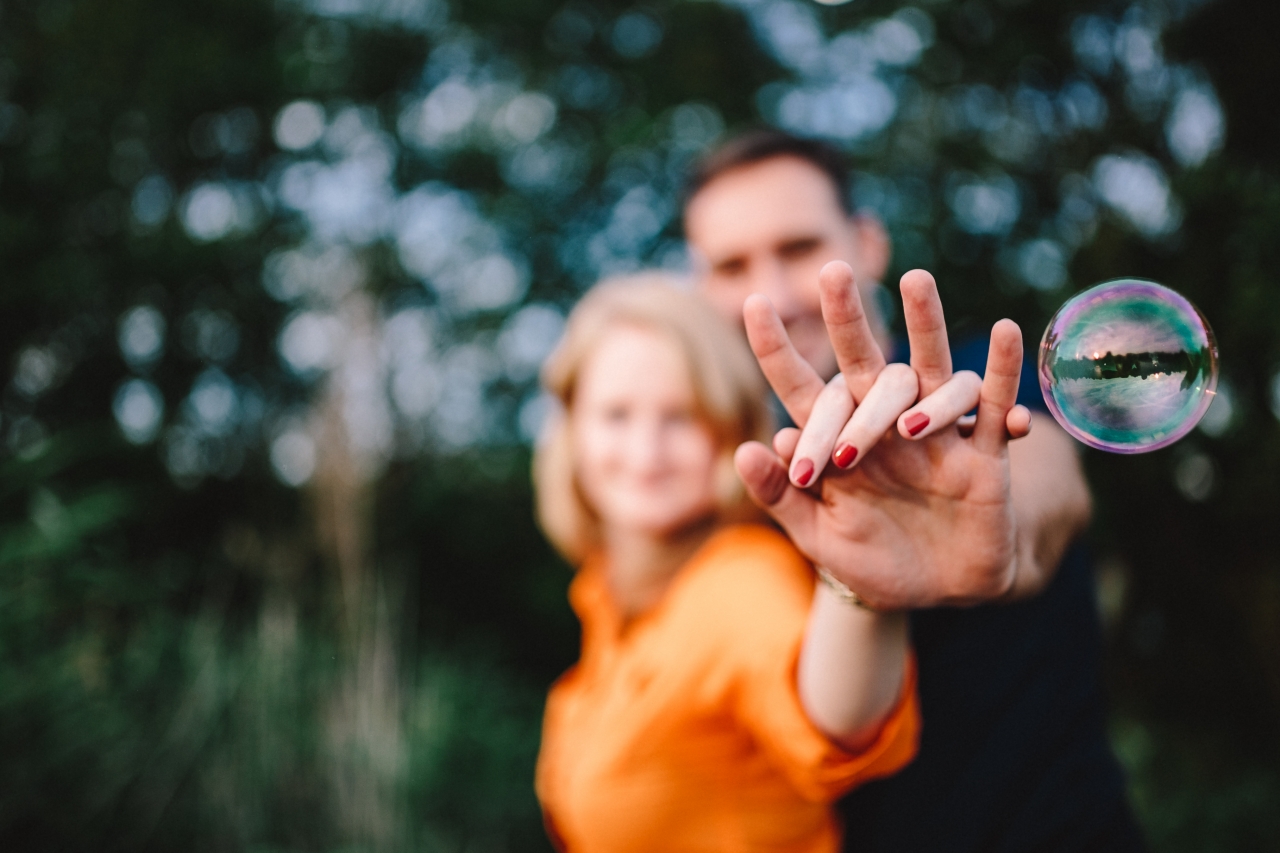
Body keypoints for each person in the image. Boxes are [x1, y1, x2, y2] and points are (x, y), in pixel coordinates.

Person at [682, 130, 1144, 851]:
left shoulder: (978, 389)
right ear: (702, 288)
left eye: (799, 248)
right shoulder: (730, 483)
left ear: (867, 242)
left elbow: (1050, 496)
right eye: (732, 265)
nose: (771, 292)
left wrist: (995, 537)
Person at [532, 275, 924, 853]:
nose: (645, 453)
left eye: (680, 416)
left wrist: (860, 573)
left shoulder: (740, 580)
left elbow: (835, 720)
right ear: (573, 432)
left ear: (730, 426)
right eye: (616, 414)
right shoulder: (606, 599)